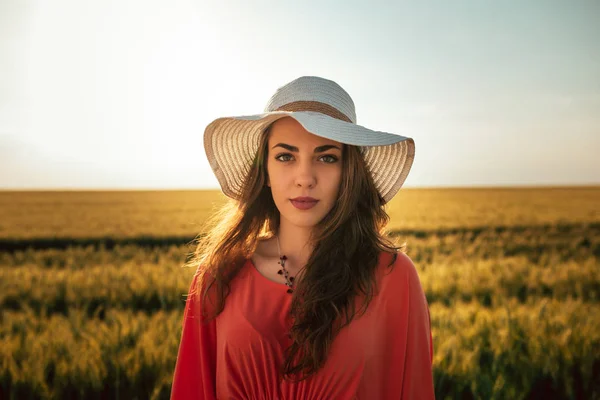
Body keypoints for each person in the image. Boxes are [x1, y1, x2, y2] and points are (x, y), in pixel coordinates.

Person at [170, 76, 434, 399]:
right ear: (264, 170)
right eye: (285, 156)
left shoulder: (394, 277)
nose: (305, 178)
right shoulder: (218, 275)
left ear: (347, 171)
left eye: (326, 157)